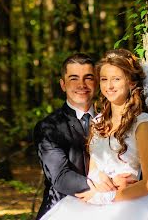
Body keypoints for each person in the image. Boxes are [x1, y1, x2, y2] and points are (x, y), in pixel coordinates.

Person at [38, 49, 148, 220]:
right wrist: (100, 183)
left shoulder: (142, 123)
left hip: (130, 204)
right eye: (104, 79)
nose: (109, 86)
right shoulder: (98, 122)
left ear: (132, 83)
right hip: (93, 199)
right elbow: (90, 171)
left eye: (116, 79)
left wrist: (111, 195)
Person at [34, 53, 131, 219]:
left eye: (88, 78)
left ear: (97, 82)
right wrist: (101, 188)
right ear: (63, 85)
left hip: (116, 208)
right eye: (74, 78)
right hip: (64, 208)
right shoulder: (49, 127)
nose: (82, 85)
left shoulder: (114, 119)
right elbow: (60, 176)